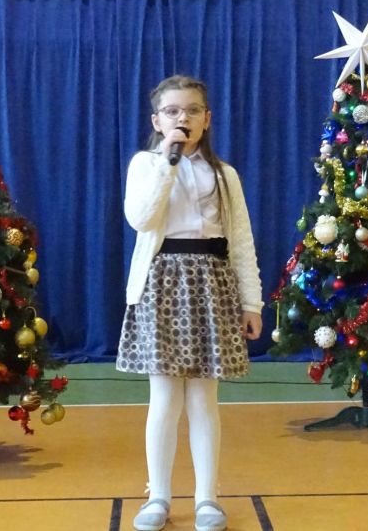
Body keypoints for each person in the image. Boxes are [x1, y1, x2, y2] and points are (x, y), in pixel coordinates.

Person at [117, 75, 263, 531]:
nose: (184, 118)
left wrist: (252, 302)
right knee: (164, 396)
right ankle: (158, 496)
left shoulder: (225, 175)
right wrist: (168, 162)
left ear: (207, 118)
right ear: (157, 121)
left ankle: (207, 499)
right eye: (173, 111)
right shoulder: (146, 164)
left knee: (203, 399)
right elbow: (141, 218)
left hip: (212, 283)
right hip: (163, 282)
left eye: (193, 110)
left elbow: (241, 240)